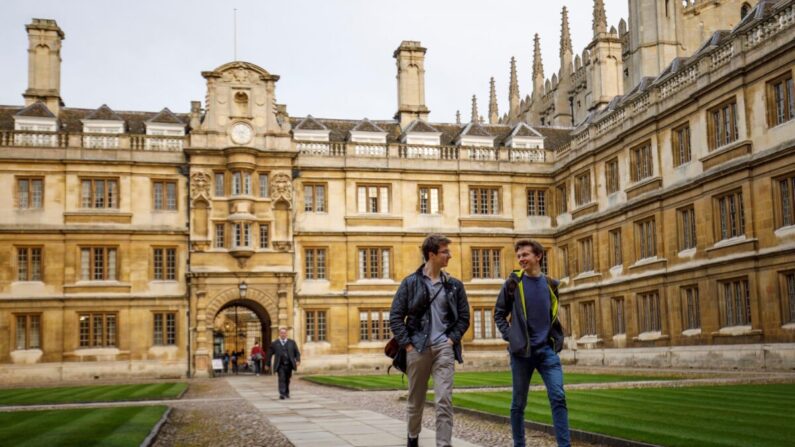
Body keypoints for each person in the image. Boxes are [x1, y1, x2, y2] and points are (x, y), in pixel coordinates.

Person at [389, 234, 470, 447]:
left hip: (444, 347)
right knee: (416, 400)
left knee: (444, 400)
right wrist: (407, 344)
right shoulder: (410, 283)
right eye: (445, 252)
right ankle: (413, 438)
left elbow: (464, 318)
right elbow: (396, 316)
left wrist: (452, 340)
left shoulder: (454, 285)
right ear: (432, 254)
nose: (449, 256)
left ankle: (444, 444)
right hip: (417, 347)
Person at [494, 239, 570, 447]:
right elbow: (499, 314)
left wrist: (556, 340)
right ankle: (519, 444)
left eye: (525, 255)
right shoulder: (513, 283)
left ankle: (565, 445)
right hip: (521, 354)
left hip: (547, 351)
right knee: (518, 403)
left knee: (558, 397)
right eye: (519, 256)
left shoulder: (551, 285)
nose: (521, 259)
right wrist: (512, 337)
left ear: (538, 256)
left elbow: (551, 315)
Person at [265, 327, 301, 399]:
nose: (283, 334)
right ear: (279, 334)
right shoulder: (275, 343)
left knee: (287, 379)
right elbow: (269, 354)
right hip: (280, 364)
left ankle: (286, 392)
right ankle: (282, 394)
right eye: (281, 333)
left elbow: (297, 352)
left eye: (284, 333)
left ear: (286, 334)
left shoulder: (292, 342)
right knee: (281, 378)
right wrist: (267, 364)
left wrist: (298, 360)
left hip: (289, 364)